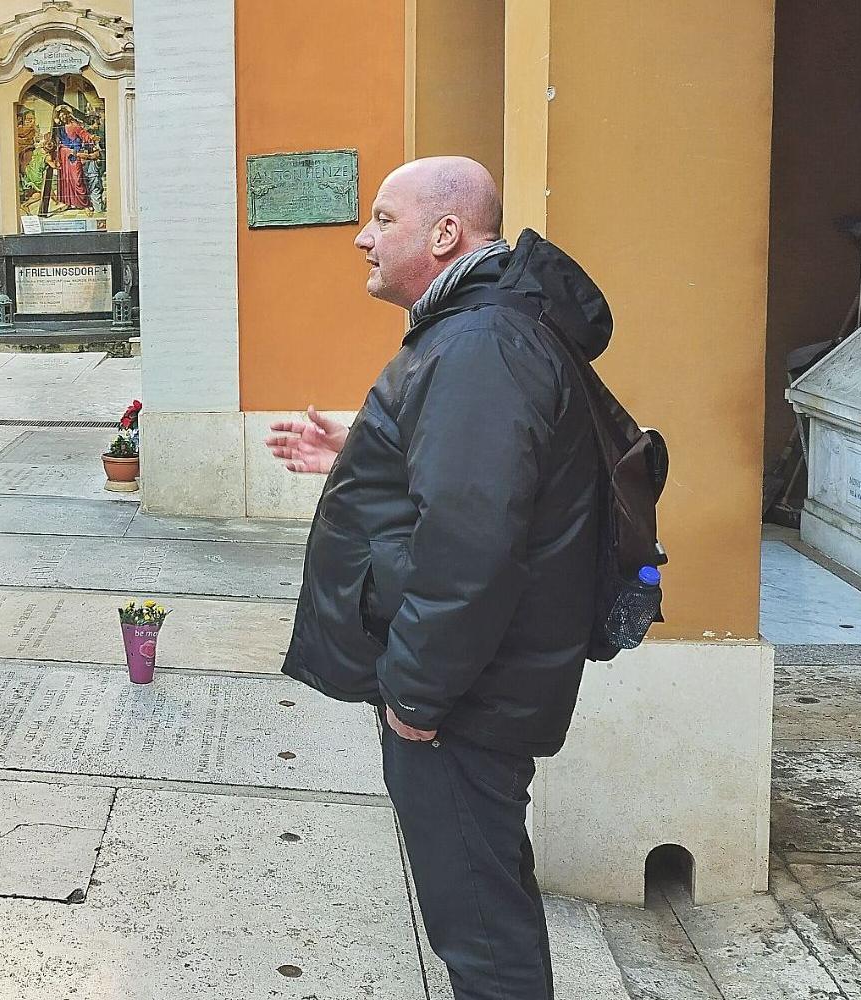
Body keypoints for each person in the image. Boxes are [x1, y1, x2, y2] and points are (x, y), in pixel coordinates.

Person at [270, 156, 609, 1000]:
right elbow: (469, 480)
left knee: (481, 930)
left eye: (384, 219)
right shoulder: (478, 332)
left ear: (446, 233)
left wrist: (416, 698)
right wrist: (365, 451)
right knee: (479, 905)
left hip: (463, 700)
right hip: (479, 688)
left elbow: (472, 545)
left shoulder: (482, 343)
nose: (363, 237)